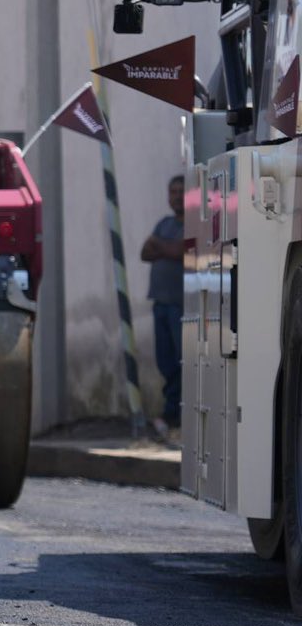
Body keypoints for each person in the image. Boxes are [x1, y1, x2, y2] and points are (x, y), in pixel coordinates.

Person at [140, 174, 188, 436]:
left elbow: (180, 251)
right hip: (160, 303)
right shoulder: (164, 224)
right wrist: (165, 247)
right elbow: (144, 253)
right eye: (173, 192)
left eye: (181, 191)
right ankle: (171, 413)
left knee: (182, 361)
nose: (177, 196)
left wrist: (163, 247)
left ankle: (174, 414)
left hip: (181, 306)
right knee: (165, 361)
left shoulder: (193, 222)